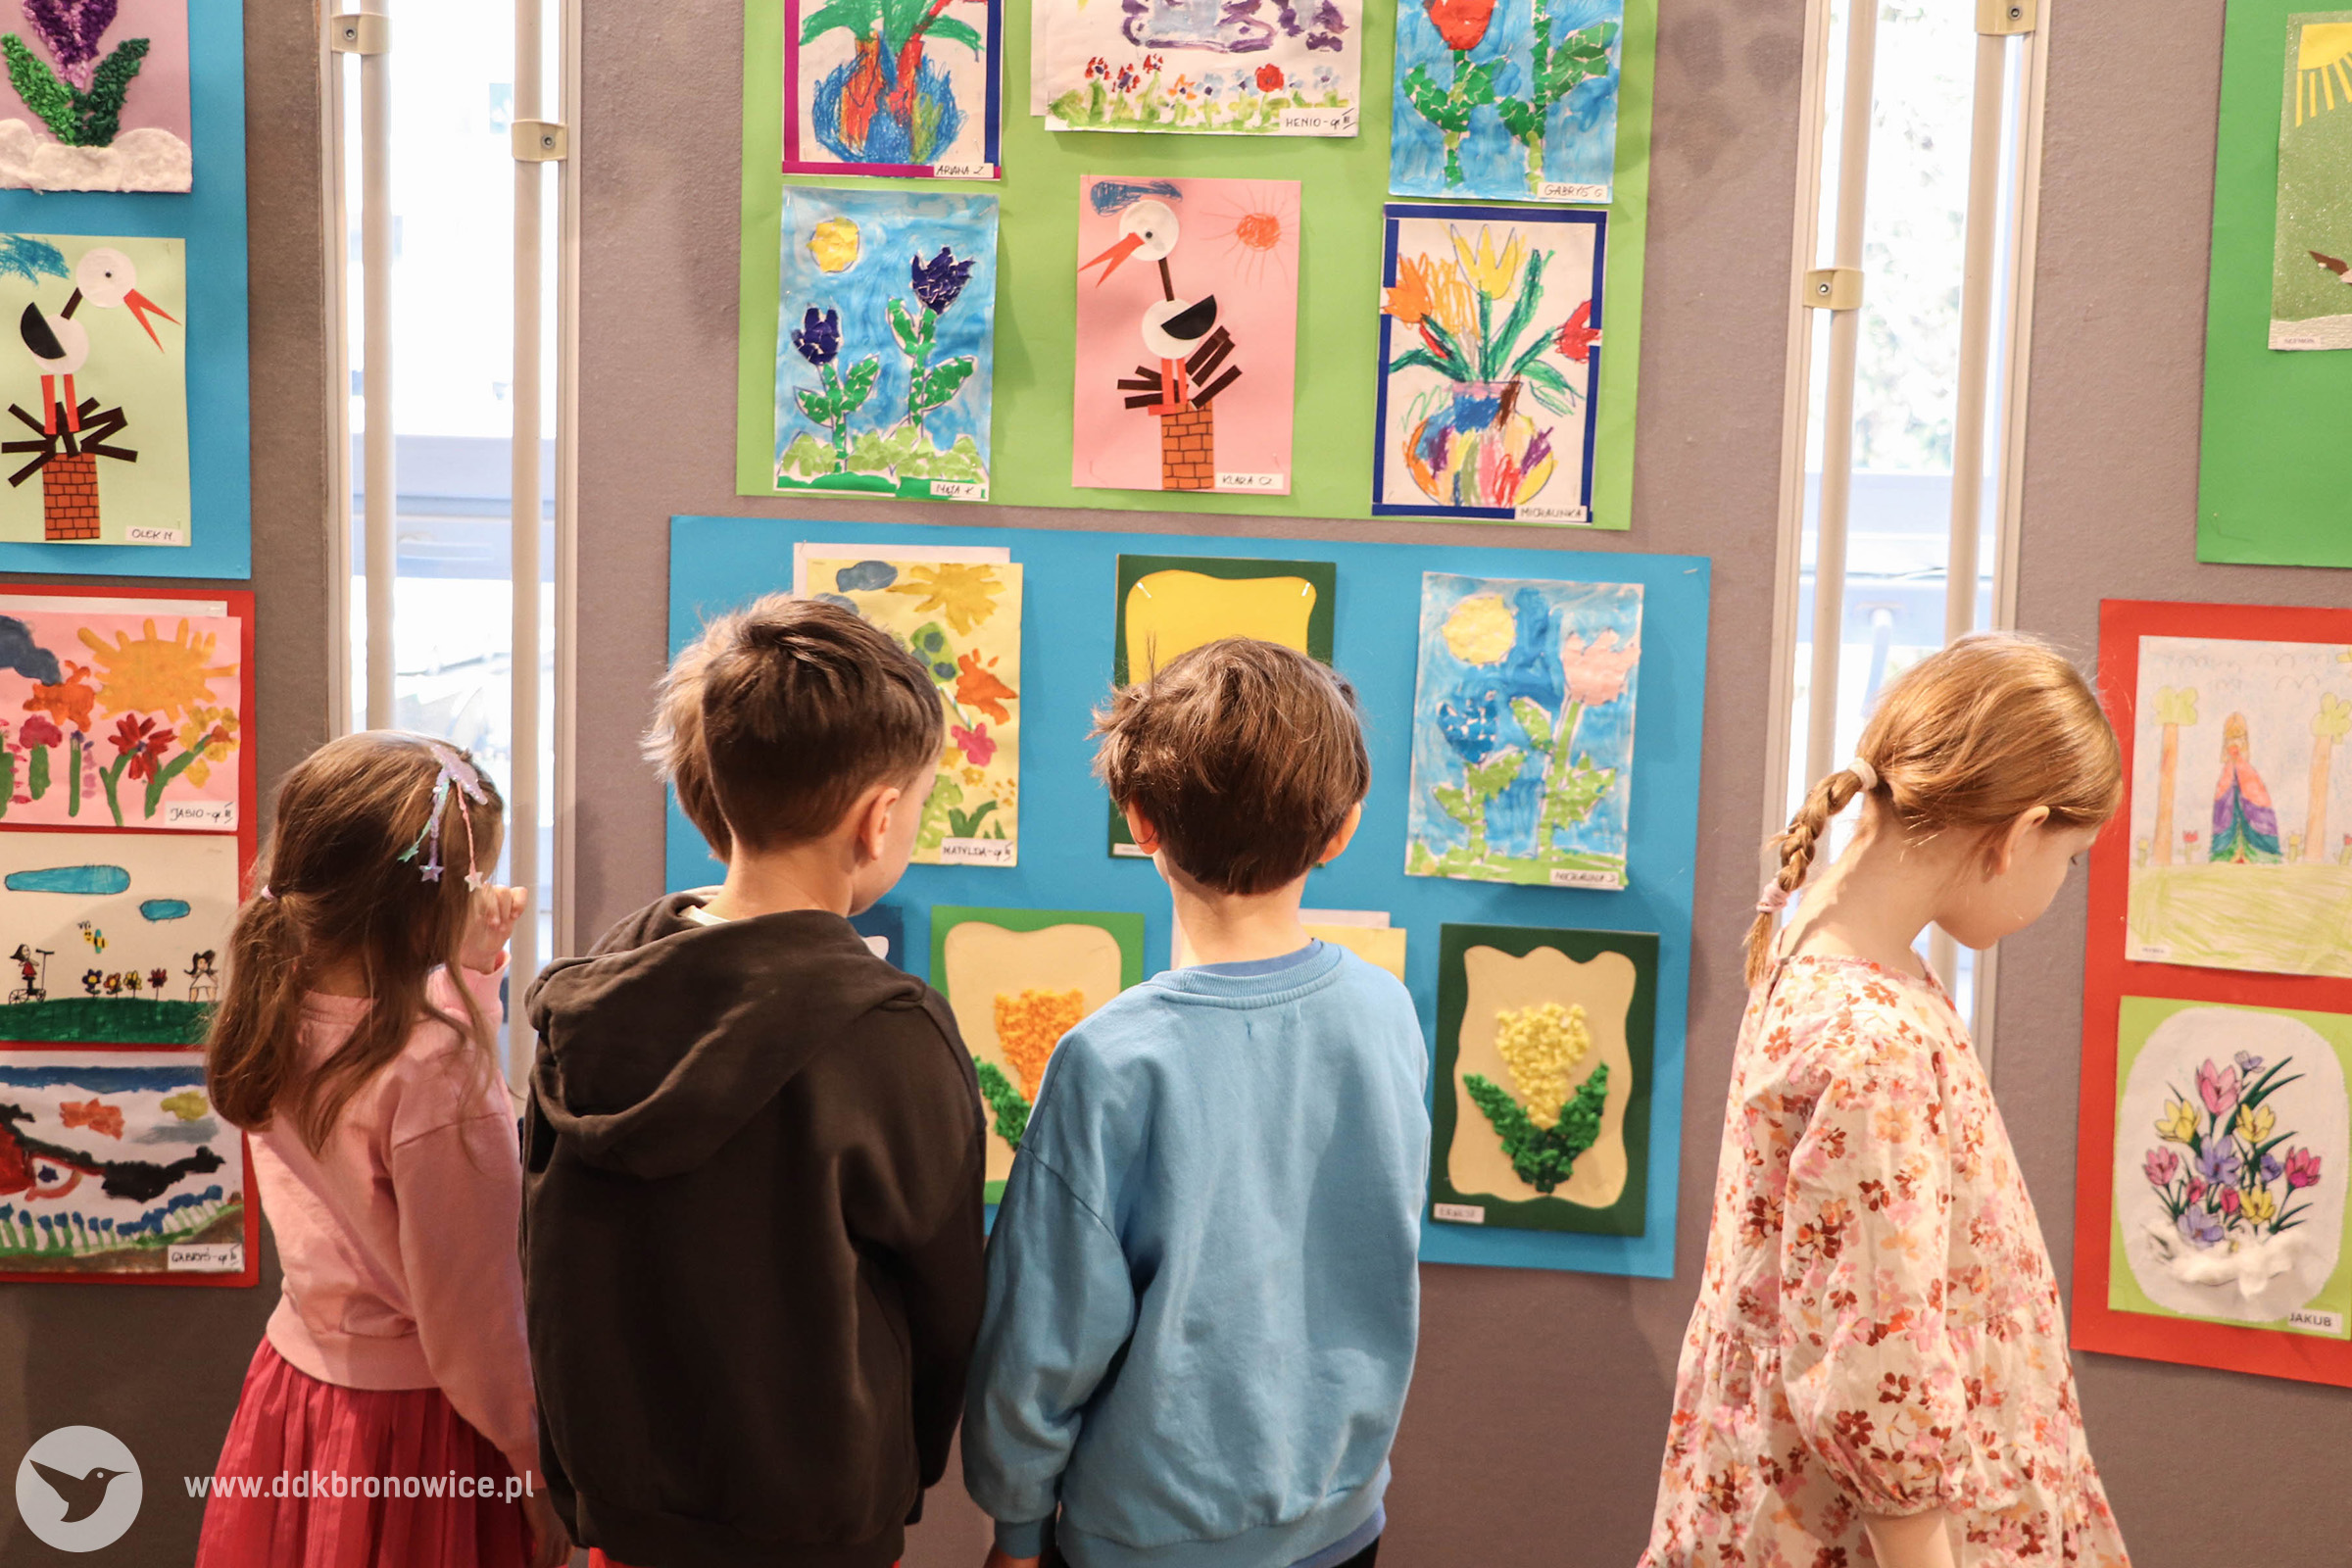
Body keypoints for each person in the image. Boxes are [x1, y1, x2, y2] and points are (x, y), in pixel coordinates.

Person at [1640, 633, 2132, 1568]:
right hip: (1879, 1534)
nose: (2063, 883)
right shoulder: (1875, 1039)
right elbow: (1875, 1363)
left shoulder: (1825, 942)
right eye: (2070, 859)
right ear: (2020, 833)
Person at [523, 595, 985, 1568]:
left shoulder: (598, 988)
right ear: (880, 820)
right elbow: (946, 1312)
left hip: (621, 1519)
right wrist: (897, 1479)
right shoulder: (892, 1034)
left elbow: (546, 1259)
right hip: (816, 1529)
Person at [963, 637, 1430, 1568]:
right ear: (1343, 829)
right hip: (1342, 1520)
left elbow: (1044, 1333)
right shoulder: (1385, 1011)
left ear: (1141, 821)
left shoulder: (1107, 1061)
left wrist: (1016, 1525)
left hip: (1145, 1537)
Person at [198, 731, 566, 1568]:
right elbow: (474, 1311)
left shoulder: (273, 1003)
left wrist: (471, 975)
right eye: (473, 881)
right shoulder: (435, 1067)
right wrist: (533, 1462)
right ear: (421, 910)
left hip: (298, 1387)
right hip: (421, 1427)